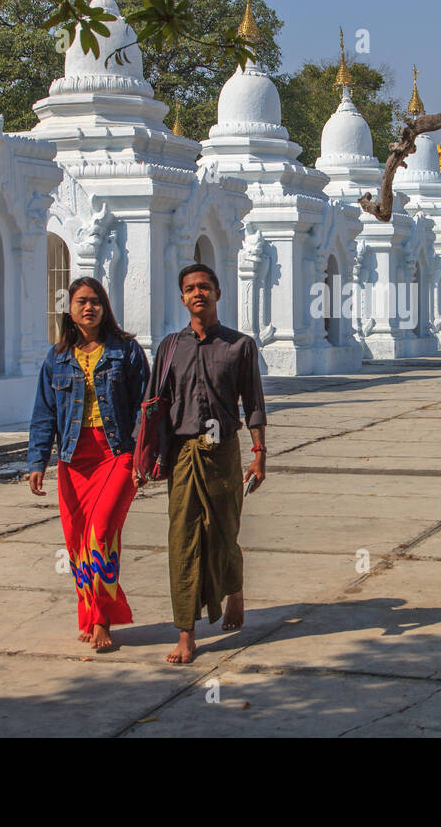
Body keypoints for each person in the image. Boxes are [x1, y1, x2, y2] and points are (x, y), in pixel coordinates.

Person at [28, 277, 150, 651]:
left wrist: (144, 456)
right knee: (78, 540)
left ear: (105, 307)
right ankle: (92, 613)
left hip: (115, 454)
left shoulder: (126, 351)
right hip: (72, 459)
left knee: (100, 532)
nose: (88, 308)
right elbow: (44, 413)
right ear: (70, 308)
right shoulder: (57, 357)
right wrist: (37, 460)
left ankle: (101, 620)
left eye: (95, 301)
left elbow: (145, 407)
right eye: (81, 301)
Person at [154, 263, 267, 665]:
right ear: (182, 298)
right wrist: (145, 457)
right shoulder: (169, 347)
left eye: (204, 287)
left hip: (223, 450)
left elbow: (253, 402)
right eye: (189, 288)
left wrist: (259, 454)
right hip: (183, 453)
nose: (197, 293)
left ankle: (233, 588)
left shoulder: (240, 345)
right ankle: (186, 631)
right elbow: (155, 406)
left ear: (218, 293)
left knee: (223, 533)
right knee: (182, 539)